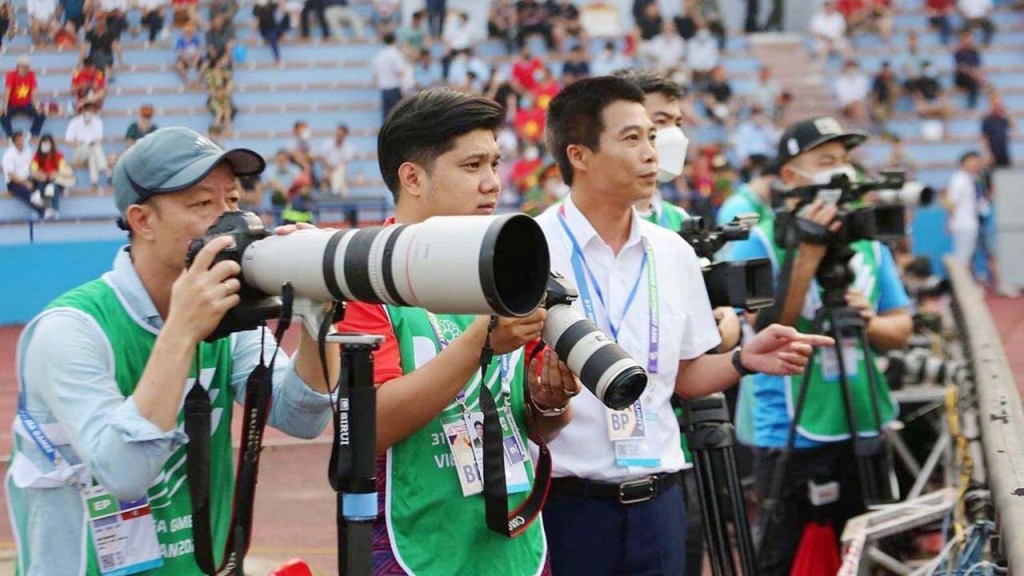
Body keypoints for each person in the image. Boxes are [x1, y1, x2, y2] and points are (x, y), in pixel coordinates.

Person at [6, 126, 339, 574]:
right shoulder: (70, 330)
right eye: (204, 204)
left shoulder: (228, 319)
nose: (229, 221)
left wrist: (319, 316)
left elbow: (302, 416)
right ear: (142, 221)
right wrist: (181, 329)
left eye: (234, 202)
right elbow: (124, 473)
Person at [537, 75, 831, 576]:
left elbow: (685, 376)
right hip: (566, 506)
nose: (652, 153)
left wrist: (745, 358)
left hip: (662, 503)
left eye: (652, 136)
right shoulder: (532, 249)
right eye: (632, 138)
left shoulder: (672, 251)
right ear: (579, 155)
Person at [333, 88, 578, 575]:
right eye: (472, 167)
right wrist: (479, 343)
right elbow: (370, 427)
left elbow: (535, 424)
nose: (492, 183)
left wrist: (551, 400)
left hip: (516, 549)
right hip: (416, 551)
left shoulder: (507, 270)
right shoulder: (365, 278)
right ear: (413, 177)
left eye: (495, 163)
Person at [727, 116, 913, 575]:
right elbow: (766, 326)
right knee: (779, 558)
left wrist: (868, 322)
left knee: (869, 555)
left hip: (864, 417)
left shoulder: (865, 240)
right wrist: (805, 254)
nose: (842, 171)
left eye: (846, 160)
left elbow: (901, 326)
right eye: (825, 161)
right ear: (790, 176)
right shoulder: (757, 240)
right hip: (789, 429)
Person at [943, 150, 1019, 297]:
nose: (976, 164)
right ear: (964, 162)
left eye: (977, 160)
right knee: (963, 258)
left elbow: (981, 198)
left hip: (977, 222)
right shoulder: (958, 180)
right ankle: (962, 290)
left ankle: (983, 286)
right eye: (973, 160)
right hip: (964, 224)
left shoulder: (975, 178)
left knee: (982, 254)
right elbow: (951, 202)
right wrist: (950, 221)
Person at [1, 55, 47, 140]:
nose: (27, 69)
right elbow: (7, 92)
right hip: (13, 104)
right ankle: (11, 136)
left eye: (28, 67)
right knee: (3, 116)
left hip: (27, 104)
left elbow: (34, 92)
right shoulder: (11, 74)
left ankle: (32, 134)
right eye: (25, 67)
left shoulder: (31, 74)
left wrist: (37, 107)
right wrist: (4, 107)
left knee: (41, 115)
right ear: (18, 67)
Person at [30, 133, 71, 219]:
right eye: (44, 143)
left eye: (48, 143)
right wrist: (40, 174)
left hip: (55, 180)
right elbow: (33, 170)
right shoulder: (37, 156)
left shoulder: (59, 156)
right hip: (43, 180)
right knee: (44, 183)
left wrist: (55, 174)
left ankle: (55, 211)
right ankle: (45, 210)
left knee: (52, 187)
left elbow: (63, 170)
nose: (46, 146)